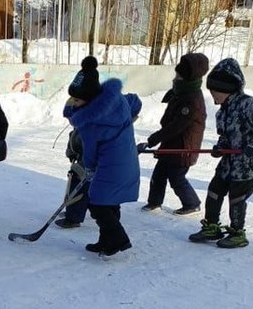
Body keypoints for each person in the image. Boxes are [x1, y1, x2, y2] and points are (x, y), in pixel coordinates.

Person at [189, 57, 253, 248]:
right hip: (230, 161)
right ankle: (211, 226)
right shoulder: (222, 112)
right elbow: (225, 136)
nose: (213, 95)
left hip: (249, 163)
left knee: (236, 197)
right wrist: (221, 147)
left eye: (215, 91)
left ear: (227, 89)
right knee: (214, 190)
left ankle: (238, 233)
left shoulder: (249, 104)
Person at [63, 56, 141, 257]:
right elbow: (135, 101)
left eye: (77, 100)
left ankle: (118, 239)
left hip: (110, 165)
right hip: (126, 160)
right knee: (110, 201)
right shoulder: (117, 101)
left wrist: (88, 169)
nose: (74, 103)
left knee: (97, 203)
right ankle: (106, 241)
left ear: (89, 99)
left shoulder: (91, 122)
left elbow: (90, 152)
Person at [57, 92, 142, 229]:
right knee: (92, 185)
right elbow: (75, 137)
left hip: (110, 164)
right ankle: (82, 215)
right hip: (111, 162)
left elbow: (89, 150)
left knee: (81, 181)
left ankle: (73, 218)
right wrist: (71, 151)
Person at [138, 52, 208, 215]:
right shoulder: (182, 92)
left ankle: (192, 203)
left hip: (183, 146)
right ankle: (154, 202)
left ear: (187, 78)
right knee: (159, 174)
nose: (175, 78)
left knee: (177, 177)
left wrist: (153, 139)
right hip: (171, 144)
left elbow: (177, 126)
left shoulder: (192, 99)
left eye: (179, 76)